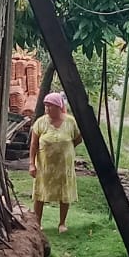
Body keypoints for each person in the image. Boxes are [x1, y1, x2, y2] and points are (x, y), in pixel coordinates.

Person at [29, 91, 82, 233]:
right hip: (45, 166)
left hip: (64, 167)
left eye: (50, 106)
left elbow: (77, 138)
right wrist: (32, 164)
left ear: (59, 106)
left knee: (64, 193)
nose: (47, 109)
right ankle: (37, 223)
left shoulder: (70, 122)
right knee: (40, 193)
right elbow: (33, 145)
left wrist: (66, 149)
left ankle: (62, 223)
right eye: (45, 106)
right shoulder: (40, 122)